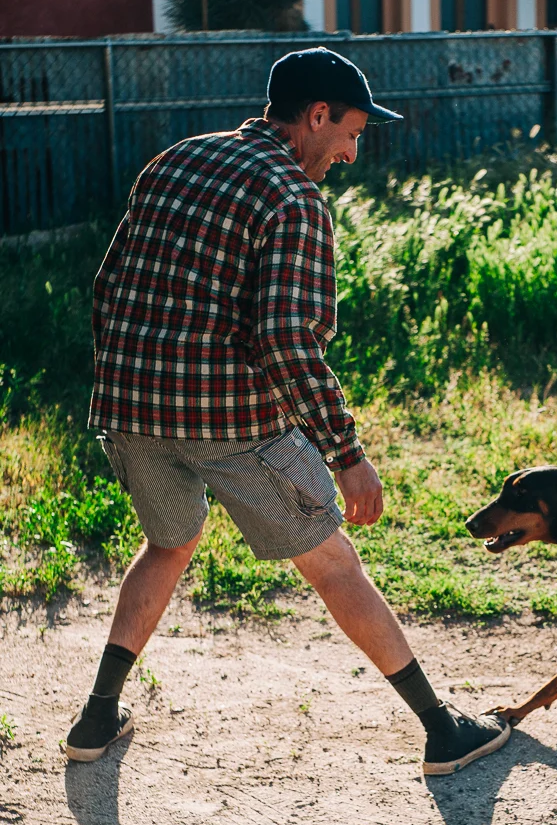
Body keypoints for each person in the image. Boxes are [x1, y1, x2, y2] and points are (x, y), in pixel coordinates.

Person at [65, 47, 510, 777]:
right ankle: (441, 729)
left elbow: (108, 284)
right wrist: (346, 452)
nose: (350, 152)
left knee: (168, 546)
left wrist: (127, 383)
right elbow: (285, 339)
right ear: (315, 115)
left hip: (132, 411)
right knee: (333, 563)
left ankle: (96, 716)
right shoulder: (292, 198)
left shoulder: (177, 158)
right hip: (231, 423)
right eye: (350, 133)